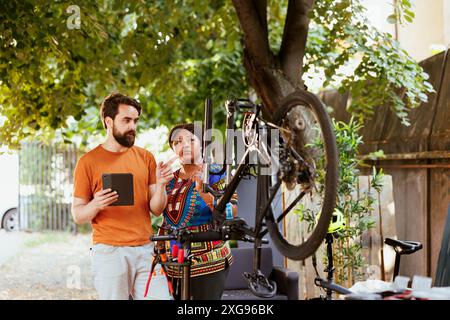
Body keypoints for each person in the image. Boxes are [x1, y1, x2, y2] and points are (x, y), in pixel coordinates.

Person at [71, 92, 174, 300]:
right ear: (109, 121)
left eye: (135, 121)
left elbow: (156, 208)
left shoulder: (145, 157)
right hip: (109, 252)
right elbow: (78, 215)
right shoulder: (87, 162)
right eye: (126, 120)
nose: (132, 126)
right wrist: (97, 203)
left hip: (146, 249)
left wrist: (162, 185)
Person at [158, 122, 237, 300]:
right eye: (177, 142)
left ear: (203, 144)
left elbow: (232, 213)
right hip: (173, 260)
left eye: (191, 140)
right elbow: (167, 216)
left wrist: (205, 194)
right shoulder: (169, 179)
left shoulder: (217, 173)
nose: (183, 145)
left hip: (209, 259)